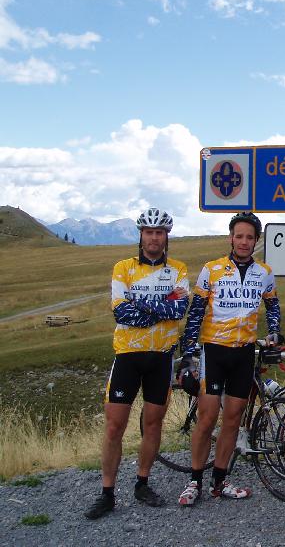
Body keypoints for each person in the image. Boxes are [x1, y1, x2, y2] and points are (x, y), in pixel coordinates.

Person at [84, 207, 190, 519]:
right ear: (141, 235)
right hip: (128, 356)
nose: (154, 237)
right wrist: (162, 305)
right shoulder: (123, 268)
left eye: (159, 232)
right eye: (149, 232)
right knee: (115, 425)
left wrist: (142, 305)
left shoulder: (179, 270)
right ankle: (107, 493)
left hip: (161, 357)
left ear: (166, 236)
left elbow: (179, 310)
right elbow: (121, 312)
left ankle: (142, 484)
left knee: (153, 423)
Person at [177, 211, 281, 506]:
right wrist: (188, 355)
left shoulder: (264, 272)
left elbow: (272, 306)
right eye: (239, 236)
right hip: (214, 350)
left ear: (256, 240)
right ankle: (194, 481)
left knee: (233, 419)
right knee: (207, 418)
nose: (244, 242)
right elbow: (195, 314)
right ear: (230, 238)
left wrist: (274, 331)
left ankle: (219, 481)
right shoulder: (211, 270)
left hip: (245, 352)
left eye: (250, 237)